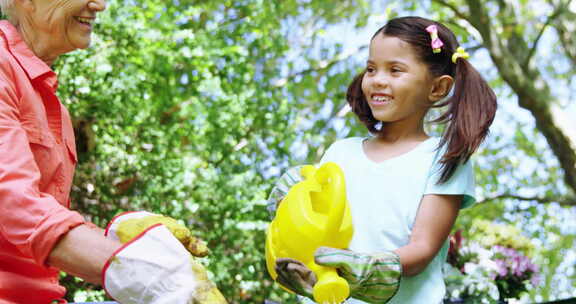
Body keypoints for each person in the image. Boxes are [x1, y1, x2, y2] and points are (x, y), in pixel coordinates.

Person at [0, 1, 226, 303]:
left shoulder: (57, 111)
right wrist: (149, 270)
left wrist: (121, 238)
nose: (99, 5)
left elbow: (44, 223)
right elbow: (14, 203)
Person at [268, 16, 497, 304]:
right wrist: (289, 207)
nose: (377, 80)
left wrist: (364, 269)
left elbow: (422, 249)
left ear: (437, 88)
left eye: (395, 70)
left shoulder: (444, 158)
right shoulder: (340, 152)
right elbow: (310, 229)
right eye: (371, 68)